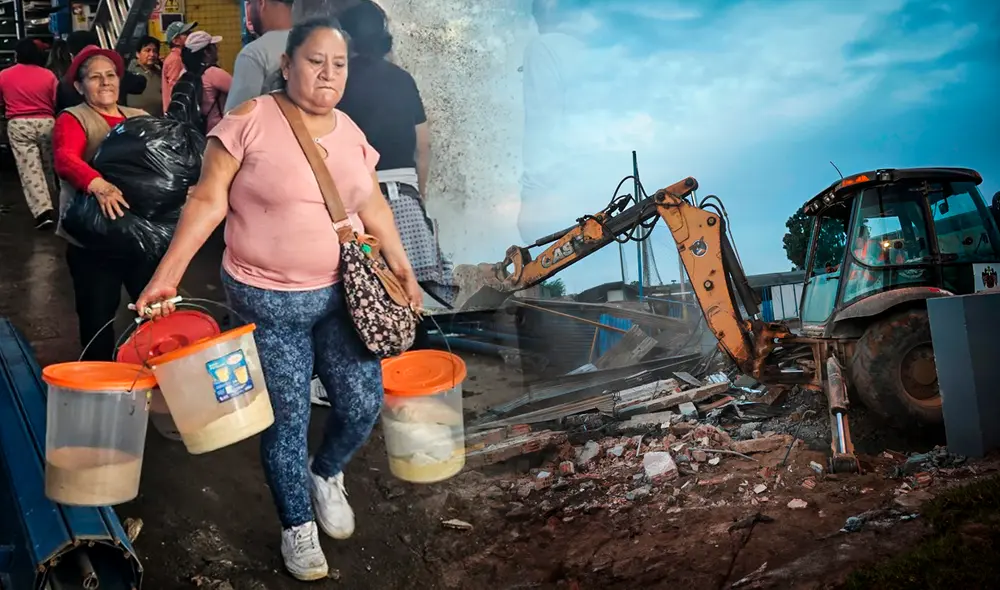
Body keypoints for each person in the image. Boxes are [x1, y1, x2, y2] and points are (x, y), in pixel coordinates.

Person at [135, 18, 421, 581]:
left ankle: (327, 471)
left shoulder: (350, 131)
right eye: (315, 61)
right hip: (266, 301)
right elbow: (207, 202)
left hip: (342, 297)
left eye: (338, 64)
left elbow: (374, 207)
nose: (328, 74)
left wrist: (403, 269)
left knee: (362, 402)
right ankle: (296, 526)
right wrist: (167, 274)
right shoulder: (248, 122)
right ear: (287, 65)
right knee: (286, 418)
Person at [337, 1, 456, 312]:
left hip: (355, 200)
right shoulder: (403, 79)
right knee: (410, 298)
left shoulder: (336, 82)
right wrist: (420, 193)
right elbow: (423, 145)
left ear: (344, 38)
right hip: (403, 196)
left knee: (366, 299)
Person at [51, 45, 151, 361]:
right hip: (93, 244)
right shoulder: (74, 118)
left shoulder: (139, 117)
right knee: (97, 320)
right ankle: (101, 386)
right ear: (80, 87)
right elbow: (65, 159)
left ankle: (151, 380)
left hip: (140, 239)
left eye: (110, 75)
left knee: (154, 312)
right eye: (95, 77)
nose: (105, 82)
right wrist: (99, 186)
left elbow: (165, 160)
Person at [518, 0, 590, 244]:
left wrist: (532, 197)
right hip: (595, 187)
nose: (533, 10)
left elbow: (543, 125)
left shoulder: (544, 48)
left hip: (558, 194)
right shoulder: (593, 50)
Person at [0, 38, 60, 229]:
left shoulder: (4, 75)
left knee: (30, 169)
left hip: (19, 124)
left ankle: (43, 212)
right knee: (51, 167)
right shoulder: (48, 75)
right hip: (47, 123)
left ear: (17, 55)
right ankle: (59, 205)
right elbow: (56, 100)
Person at [224, 0, 292, 111]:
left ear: (261, 3)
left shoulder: (255, 54)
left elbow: (235, 120)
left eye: (250, 2)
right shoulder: (315, 43)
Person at [56, 31, 147, 112]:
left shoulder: (65, 83)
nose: (105, 82)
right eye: (94, 77)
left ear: (71, 55)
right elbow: (140, 84)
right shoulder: (116, 74)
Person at [166, 31, 231, 134]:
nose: (217, 49)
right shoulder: (213, 73)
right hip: (216, 131)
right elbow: (242, 93)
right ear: (207, 52)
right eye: (214, 46)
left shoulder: (184, 73)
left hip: (194, 132)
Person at [162, 20, 198, 112]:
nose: (191, 35)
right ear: (176, 41)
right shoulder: (176, 59)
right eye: (186, 34)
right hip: (177, 113)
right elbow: (174, 88)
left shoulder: (179, 57)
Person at [127, 36, 163, 116]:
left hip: (158, 121)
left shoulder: (160, 72)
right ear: (138, 54)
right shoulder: (129, 71)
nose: (152, 54)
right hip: (134, 121)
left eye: (155, 51)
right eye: (147, 50)